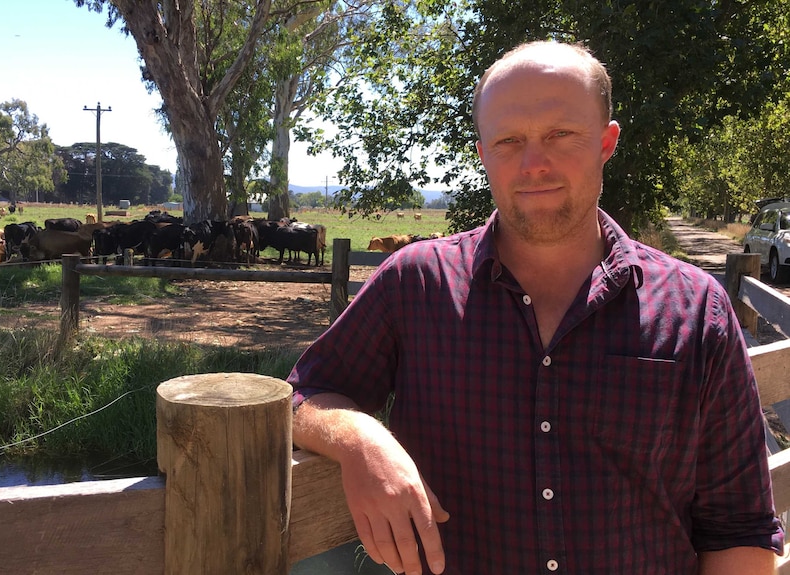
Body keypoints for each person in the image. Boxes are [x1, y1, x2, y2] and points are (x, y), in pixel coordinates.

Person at [288, 40, 784, 574]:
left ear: (606, 142)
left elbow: (739, 529)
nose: (534, 164)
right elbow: (301, 394)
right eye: (508, 141)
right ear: (483, 153)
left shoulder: (695, 309)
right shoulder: (416, 285)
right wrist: (362, 441)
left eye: (561, 135)